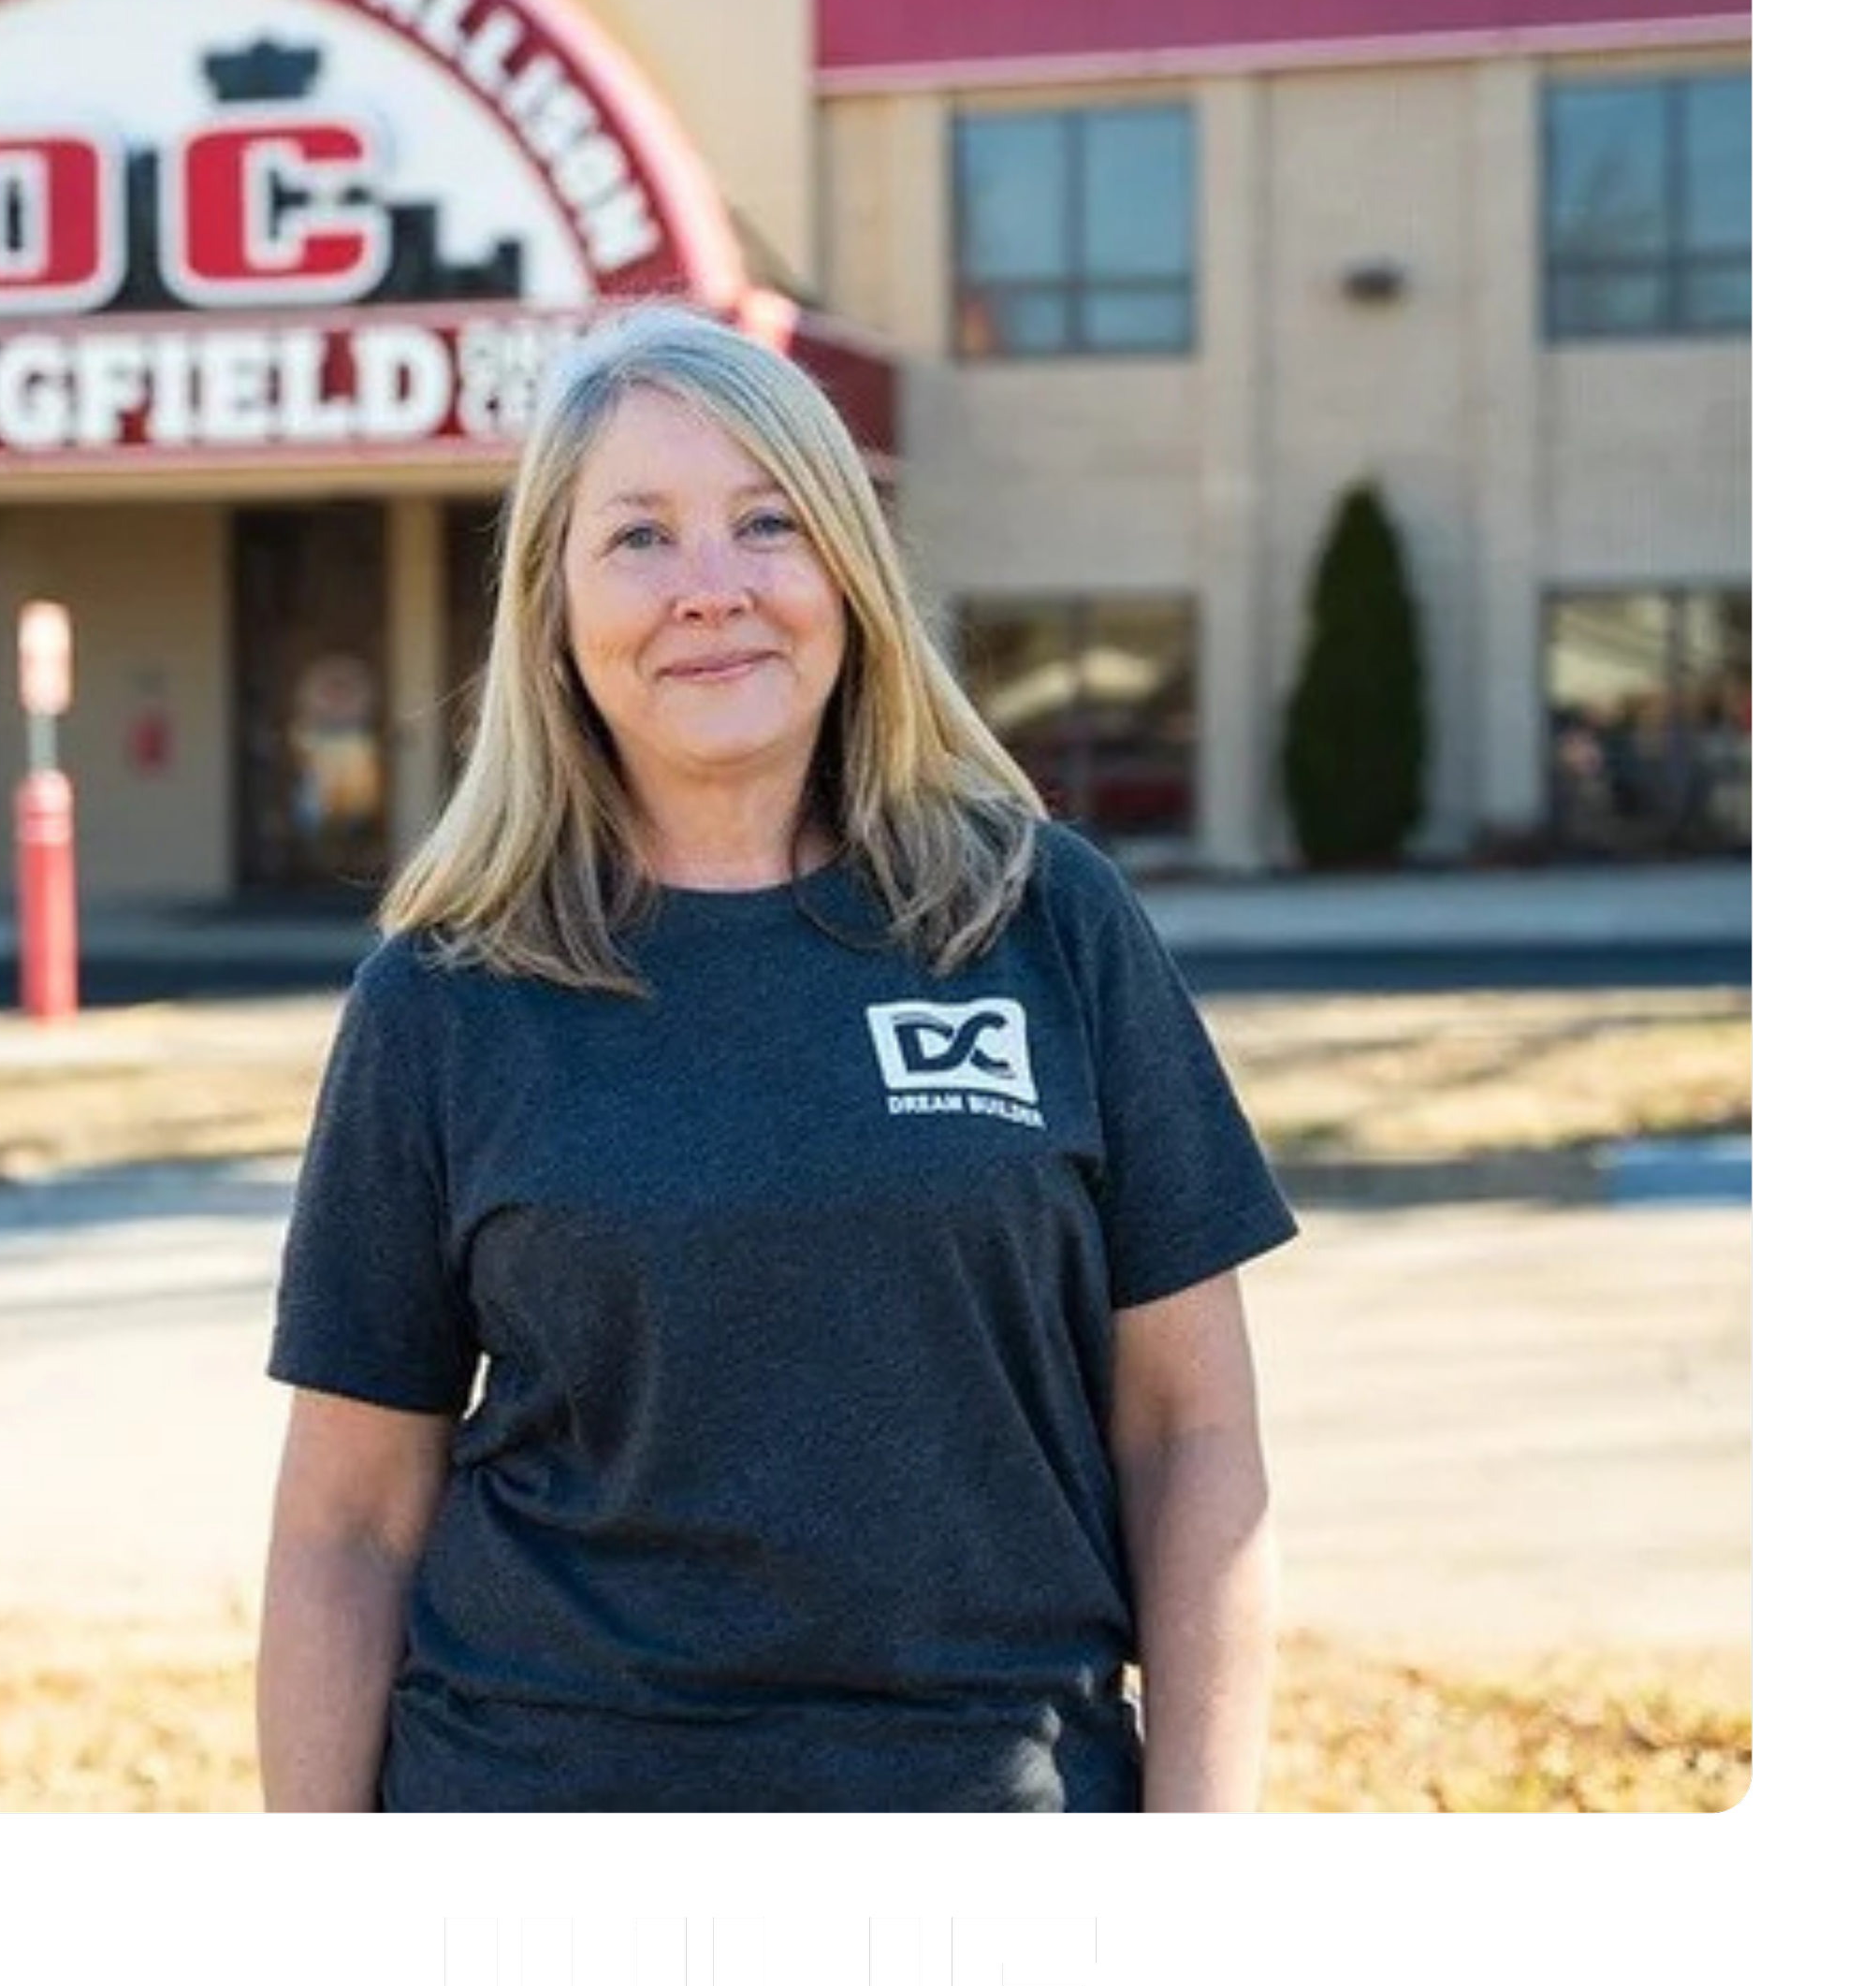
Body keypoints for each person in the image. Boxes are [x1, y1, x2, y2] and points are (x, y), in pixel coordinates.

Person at [255, 300, 1298, 1815]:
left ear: (846, 573)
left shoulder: (1040, 919)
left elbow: (1192, 1433)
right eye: (638, 538)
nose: (711, 591)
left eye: (765, 521)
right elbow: (345, 1525)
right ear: (552, 604)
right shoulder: (447, 996)